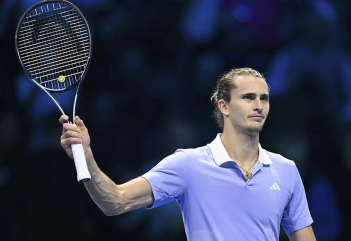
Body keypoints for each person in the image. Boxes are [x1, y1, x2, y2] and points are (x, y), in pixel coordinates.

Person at [60, 68, 316, 241]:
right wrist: (87, 156)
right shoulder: (187, 165)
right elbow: (115, 201)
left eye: (264, 98)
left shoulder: (286, 170)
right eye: (248, 97)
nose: (259, 106)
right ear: (223, 106)